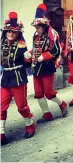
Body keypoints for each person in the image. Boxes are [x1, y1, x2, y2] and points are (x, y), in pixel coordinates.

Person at [24, 3, 68, 123]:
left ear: (43, 26)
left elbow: (56, 50)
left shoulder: (52, 35)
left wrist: (44, 57)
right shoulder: (36, 36)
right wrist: (29, 53)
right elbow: (36, 49)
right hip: (36, 67)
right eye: (35, 28)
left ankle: (63, 105)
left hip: (47, 68)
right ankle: (46, 114)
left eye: (38, 27)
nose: (36, 30)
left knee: (48, 93)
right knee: (38, 93)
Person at [1, 12, 36, 145]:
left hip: (18, 79)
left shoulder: (22, 45)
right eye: (9, 31)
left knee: (21, 106)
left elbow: (27, 63)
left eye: (13, 32)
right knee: (1, 107)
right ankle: (1, 133)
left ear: (17, 34)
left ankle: (30, 125)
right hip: (5, 79)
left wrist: (28, 59)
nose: (10, 34)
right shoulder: (1, 43)